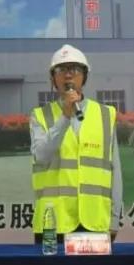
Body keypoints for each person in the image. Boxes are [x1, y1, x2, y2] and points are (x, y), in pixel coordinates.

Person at [30, 44, 122, 242]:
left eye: (75, 69)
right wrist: (65, 116)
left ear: (84, 76)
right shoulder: (40, 116)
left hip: (95, 221)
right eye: (61, 69)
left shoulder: (105, 114)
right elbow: (41, 157)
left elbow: (115, 169)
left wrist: (114, 219)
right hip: (53, 222)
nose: (68, 74)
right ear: (53, 79)